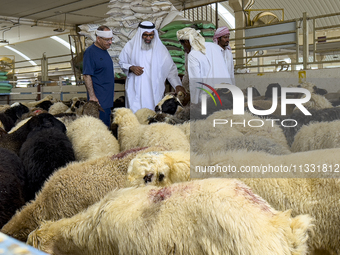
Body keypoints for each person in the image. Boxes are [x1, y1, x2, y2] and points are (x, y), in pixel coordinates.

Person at [119, 21, 186, 113]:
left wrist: (177, 85)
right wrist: (131, 67)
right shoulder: (130, 46)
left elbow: (170, 69)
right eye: (145, 35)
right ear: (140, 34)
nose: (148, 38)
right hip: (135, 91)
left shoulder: (161, 49)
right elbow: (122, 62)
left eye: (151, 35)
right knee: (135, 119)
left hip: (154, 92)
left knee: (154, 117)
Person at [177, 27, 231, 104]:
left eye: (183, 45)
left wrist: (194, 103)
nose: (184, 48)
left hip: (210, 97)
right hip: (227, 92)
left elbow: (195, 81)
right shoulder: (214, 47)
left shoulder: (193, 54)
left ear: (186, 42)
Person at [83, 25, 114, 128]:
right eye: (107, 40)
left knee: (106, 128)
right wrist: (92, 96)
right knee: (100, 130)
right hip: (99, 103)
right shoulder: (90, 52)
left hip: (107, 101)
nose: (110, 42)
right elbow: (87, 75)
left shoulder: (105, 51)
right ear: (98, 39)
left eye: (111, 39)